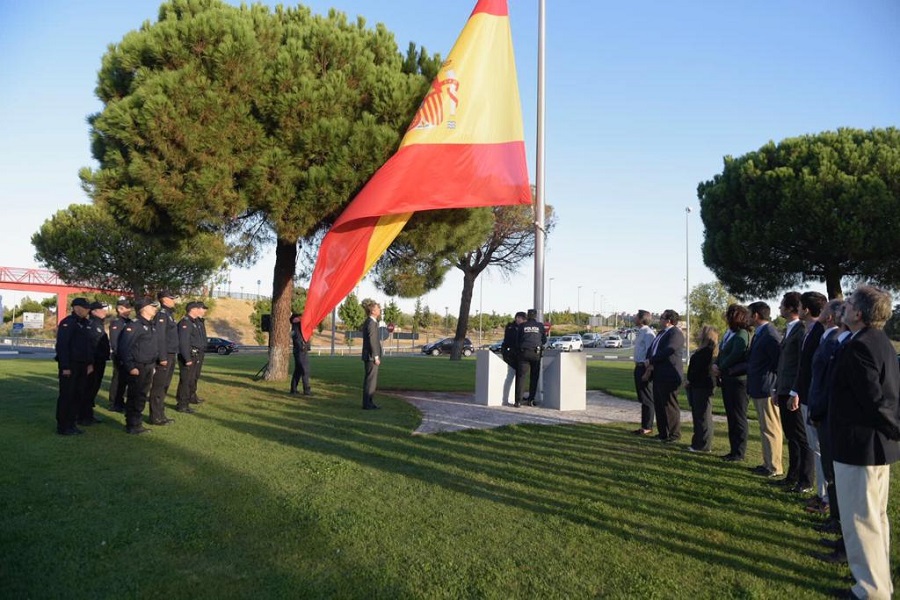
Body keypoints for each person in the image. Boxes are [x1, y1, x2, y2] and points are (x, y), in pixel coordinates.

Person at [829, 285, 900, 599]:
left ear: (858, 313)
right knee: (875, 519)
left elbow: (874, 401)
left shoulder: (861, 346)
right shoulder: (878, 340)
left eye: (849, 304)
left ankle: (870, 591)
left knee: (862, 521)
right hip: (872, 446)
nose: (843, 308)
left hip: (861, 447)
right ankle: (879, 585)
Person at [774, 291, 812, 493]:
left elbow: (800, 364)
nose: (779, 308)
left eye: (782, 305)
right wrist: (777, 388)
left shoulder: (801, 330)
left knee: (800, 436)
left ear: (791, 308)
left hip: (793, 390)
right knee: (791, 435)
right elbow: (783, 364)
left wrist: (795, 392)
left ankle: (805, 480)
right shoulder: (789, 329)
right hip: (784, 388)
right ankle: (793, 475)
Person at [746, 301, 783, 478]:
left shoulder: (770, 334)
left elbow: (778, 363)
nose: (746, 317)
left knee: (771, 428)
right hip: (759, 387)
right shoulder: (760, 334)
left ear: (755, 315)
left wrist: (775, 386)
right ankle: (767, 463)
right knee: (764, 428)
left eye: (748, 314)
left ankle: (775, 467)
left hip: (767, 388)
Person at [116, 297, 160, 434]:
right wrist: (130, 367)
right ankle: (132, 425)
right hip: (137, 366)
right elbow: (124, 347)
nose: (155, 309)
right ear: (144, 309)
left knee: (141, 395)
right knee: (135, 396)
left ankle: (137, 423)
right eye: (152, 306)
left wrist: (153, 365)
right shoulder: (134, 325)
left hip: (148, 366)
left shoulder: (150, 325)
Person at [713, 304, 751, 462]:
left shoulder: (742, 334)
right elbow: (722, 351)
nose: (726, 317)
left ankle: (739, 451)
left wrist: (720, 367)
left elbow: (735, 354)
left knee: (738, 416)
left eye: (729, 315)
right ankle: (733, 449)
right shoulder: (730, 333)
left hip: (738, 381)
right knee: (731, 416)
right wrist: (716, 363)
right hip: (728, 379)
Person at [54, 297, 94, 435]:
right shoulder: (68, 323)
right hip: (70, 365)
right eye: (85, 307)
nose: (88, 310)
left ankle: (72, 423)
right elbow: (62, 346)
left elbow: (88, 346)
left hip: (82, 366)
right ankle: (63, 426)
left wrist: (90, 363)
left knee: (78, 395)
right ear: (77, 308)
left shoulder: (85, 324)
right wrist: (65, 366)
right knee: (67, 395)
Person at [645, 309, 685, 443]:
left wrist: (652, 360)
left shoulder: (676, 334)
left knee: (669, 405)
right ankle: (663, 433)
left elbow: (668, 350)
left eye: (662, 318)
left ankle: (674, 435)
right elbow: (653, 348)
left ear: (668, 321)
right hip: (658, 374)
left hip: (669, 374)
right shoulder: (662, 333)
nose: (659, 320)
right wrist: (649, 360)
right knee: (659, 404)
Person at [147, 291, 178, 425]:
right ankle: (155, 417)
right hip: (165, 356)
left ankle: (161, 414)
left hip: (171, 354)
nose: (174, 301)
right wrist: (162, 356)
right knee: (158, 387)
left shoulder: (169, 315)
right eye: (172, 299)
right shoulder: (162, 315)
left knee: (164, 386)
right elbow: (160, 337)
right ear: (164, 300)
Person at [686, 325, 718, 453]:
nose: (698, 333)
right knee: (698, 415)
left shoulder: (708, 352)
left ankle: (703, 444)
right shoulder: (703, 350)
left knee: (703, 415)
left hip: (702, 386)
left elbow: (701, 371)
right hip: (696, 385)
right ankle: (697, 441)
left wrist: (691, 380)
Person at [82, 300, 111, 426]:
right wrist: (90, 363)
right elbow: (90, 346)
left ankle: (88, 414)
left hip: (100, 361)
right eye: (101, 309)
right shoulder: (92, 324)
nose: (104, 311)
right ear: (94, 312)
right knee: (89, 389)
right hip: (93, 363)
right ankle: (84, 416)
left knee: (93, 388)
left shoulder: (98, 324)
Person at [175, 302, 205, 414]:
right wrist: (187, 359)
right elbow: (183, 342)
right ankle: (182, 404)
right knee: (186, 381)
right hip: (188, 356)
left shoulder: (194, 322)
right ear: (192, 310)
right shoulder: (186, 322)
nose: (200, 310)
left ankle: (185, 403)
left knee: (190, 380)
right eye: (198, 308)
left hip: (194, 355)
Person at [514, 308, 547, 407]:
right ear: (536, 316)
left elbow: (517, 340)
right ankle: (531, 400)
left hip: (524, 353)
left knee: (521, 377)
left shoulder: (522, 326)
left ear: (527, 316)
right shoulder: (540, 326)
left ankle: (518, 401)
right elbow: (544, 340)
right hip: (535, 354)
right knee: (534, 377)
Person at [631, 310, 656, 435]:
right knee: (642, 397)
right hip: (638, 367)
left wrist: (648, 371)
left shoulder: (648, 333)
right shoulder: (640, 332)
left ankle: (647, 426)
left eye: (636, 316)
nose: (634, 318)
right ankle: (644, 425)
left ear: (641, 319)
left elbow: (651, 353)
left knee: (647, 398)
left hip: (644, 368)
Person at [107, 298, 133, 413]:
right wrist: (120, 356)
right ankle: (114, 403)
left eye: (129, 307)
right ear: (119, 309)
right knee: (118, 380)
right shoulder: (117, 322)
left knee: (124, 381)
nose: (129, 309)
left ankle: (120, 401)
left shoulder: (128, 322)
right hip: (120, 356)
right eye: (126, 307)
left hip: (128, 355)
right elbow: (115, 341)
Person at [361, 299, 382, 410]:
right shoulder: (371, 323)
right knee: (370, 381)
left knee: (370, 380)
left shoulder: (371, 322)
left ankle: (369, 402)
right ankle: (367, 404)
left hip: (370, 356)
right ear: (373, 311)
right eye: (378, 308)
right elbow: (372, 340)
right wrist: (376, 356)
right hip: (371, 357)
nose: (380, 310)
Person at [501, 312, 526, 405]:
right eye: (517, 317)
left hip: (520, 353)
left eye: (521, 318)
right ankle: (510, 396)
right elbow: (507, 339)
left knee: (520, 376)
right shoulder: (511, 327)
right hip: (511, 353)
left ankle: (518, 396)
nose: (518, 319)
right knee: (511, 375)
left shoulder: (523, 328)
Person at [290, 312, 312, 396]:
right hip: (301, 350)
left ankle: (293, 389)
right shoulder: (297, 326)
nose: (302, 318)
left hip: (298, 350)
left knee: (298, 371)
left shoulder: (296, 327)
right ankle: (306, 390)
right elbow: (298, 339)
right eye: (300, 317)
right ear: (295, 319)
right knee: (305, 370)